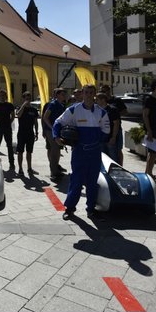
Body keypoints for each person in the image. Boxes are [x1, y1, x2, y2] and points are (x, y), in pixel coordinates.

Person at [54, 84, 110, 220]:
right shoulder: (73, 110)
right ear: (82, 94)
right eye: (86, 92)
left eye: (91, 92)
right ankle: (70, 208)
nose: (89, 95)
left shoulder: (101, 112)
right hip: (79, 152)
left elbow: (106, 131)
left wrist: (95, 138)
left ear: (95, 94)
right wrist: (56, 136)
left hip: (95, 152)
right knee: (76, 181)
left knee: (92, 182)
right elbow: (58, 122)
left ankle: (91, 209)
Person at [42, 88, 67, 180]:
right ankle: (53, 173)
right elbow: (45, 117)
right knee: (54, 151)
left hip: (57, 131)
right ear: (57, 95)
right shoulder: (53, 104)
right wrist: (52, 127)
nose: (64, 95)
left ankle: (56, 170)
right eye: (62, 94)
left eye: (64, 94)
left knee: (56, 152)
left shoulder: (61, 105)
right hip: (51, 131)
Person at [142, 80, 156, 177]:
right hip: (153, 130)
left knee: (152, 152)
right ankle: (148, 173)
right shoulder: (149, 99)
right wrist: (149, 131)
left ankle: (148, 172)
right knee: (153, 153)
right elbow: (145, 115)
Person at [100, 84, 127, 164]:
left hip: (116, 129)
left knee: (118, 150)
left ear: (109, 91)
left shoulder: (116, 100)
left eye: (104, 91)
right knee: (106, 151)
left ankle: (120, 167)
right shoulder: (101, 101)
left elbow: (125, 111)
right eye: (102, 91)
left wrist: (114, 114)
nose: (103, 93)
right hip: (106, 130)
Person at [16, 91, 39, 177]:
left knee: (29, 152)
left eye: (29, 98)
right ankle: (20, 169)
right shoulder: (20, 107)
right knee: (20, 151)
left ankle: (29, 168)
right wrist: (23, 106)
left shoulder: (33, 110)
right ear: (23, 98)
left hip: (30, 133)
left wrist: (36, 132)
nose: (28, 99)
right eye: (26, 98)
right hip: (22, 133)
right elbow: (18, 115)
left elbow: (36, 122)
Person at [0, 89, 16, 171]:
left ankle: (12, 164)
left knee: (9, 146)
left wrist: (9, 122)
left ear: (6, 96)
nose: (2, 97)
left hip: (7, 127)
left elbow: (13, 115)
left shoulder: (9, 105)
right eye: (0, 95)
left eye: (3, 95)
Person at [96, 92, 120, 163]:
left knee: (113, 159)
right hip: (100, 139)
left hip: (110, 139)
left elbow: (116, 124)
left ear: (103, 100)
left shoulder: (112, 109)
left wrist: (114, 137)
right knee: (102, 159)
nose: (95, 102)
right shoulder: (97, 110)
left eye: (97, 100)